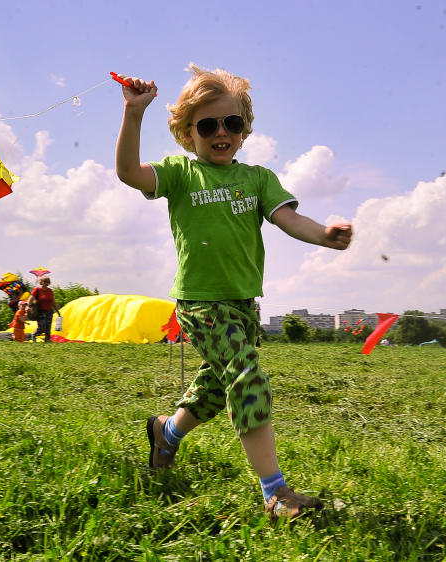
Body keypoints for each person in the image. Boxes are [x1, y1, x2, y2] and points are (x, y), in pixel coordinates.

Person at [114, 66, 352, 519]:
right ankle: (276, 492)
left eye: (232, 123)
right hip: (200, 304)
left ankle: (166, 433)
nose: (221, 132)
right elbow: (128, 172)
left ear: (245, 130)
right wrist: (133, 113)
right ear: (187, 132)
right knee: (246, 376)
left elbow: (289, 219)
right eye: (207, 125)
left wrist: (324, 234)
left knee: (212, 388)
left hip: (242, 305)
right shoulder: (181, 174)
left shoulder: (258, 180)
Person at [30, 276, 61, 343]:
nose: (46, 283)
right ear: (41, 282)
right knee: (42, 327)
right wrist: (28, 307)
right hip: (41, 311)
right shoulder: (37, 290)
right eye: (44, 281)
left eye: (47, 282)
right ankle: (34, 334)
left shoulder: (50, 291)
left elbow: (53, 302)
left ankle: (47, 340)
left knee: (48, 328)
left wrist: (58, 311)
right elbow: (31, 299)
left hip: (49, 311)